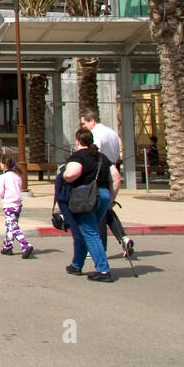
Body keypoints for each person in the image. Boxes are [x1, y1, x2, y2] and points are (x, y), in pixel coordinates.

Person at [62, 127, 121, 282]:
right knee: (86, 230)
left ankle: (103, 270)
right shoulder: (102, 157)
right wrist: (111, 198)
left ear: (77, 140)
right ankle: (76, 264)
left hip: (85, 197)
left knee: (90, 232)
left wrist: (64, 176)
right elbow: (116, 178)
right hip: (103, 195)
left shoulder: (78, 156)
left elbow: (71, 174)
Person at [80, 110, 134, 257]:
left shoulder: (96, 134)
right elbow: (117, 155)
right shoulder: (112, 133)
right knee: (107, 208)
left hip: (99, 173)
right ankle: (123, 238)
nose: (83, 127)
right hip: (111, 168)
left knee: (99, 212)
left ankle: (99, 249)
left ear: (92, 121)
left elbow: (93, 152)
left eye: (84, 123)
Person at [0, 157, 34, 258]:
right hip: (18, 204)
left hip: (9, 205)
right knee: (10, 225)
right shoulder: (17, 176)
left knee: (13, 227)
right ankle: (7, 246)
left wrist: (3, 195)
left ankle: (25, 245)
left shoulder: (2, 177)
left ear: (3, 165)